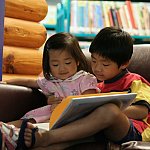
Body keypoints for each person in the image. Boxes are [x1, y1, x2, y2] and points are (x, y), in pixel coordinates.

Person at [19, 27, 150, 150]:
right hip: (100, 131)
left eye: (105, 64)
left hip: (135, 131)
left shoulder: (135, 81)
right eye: (93, 61)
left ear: (124, 63)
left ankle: (48, 137)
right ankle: (25, 140)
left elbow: (141, 111)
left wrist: (99, 109)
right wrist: (55, 101)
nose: (97, 68)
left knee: (109, 110)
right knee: (68, 137)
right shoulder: (96, 86)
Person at [0, 32, 99, 149]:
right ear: (49, 65)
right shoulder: (51, 81)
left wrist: (64, 106)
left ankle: (15, 137)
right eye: (55, 64)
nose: (62, 68)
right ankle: (5, 130)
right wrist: (6, 82)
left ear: (77, 61)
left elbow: (88, 102)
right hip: (49, 114)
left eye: (67, 63)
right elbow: (28, 82)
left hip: (72, 118)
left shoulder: (85, 79)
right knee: (30, 120)